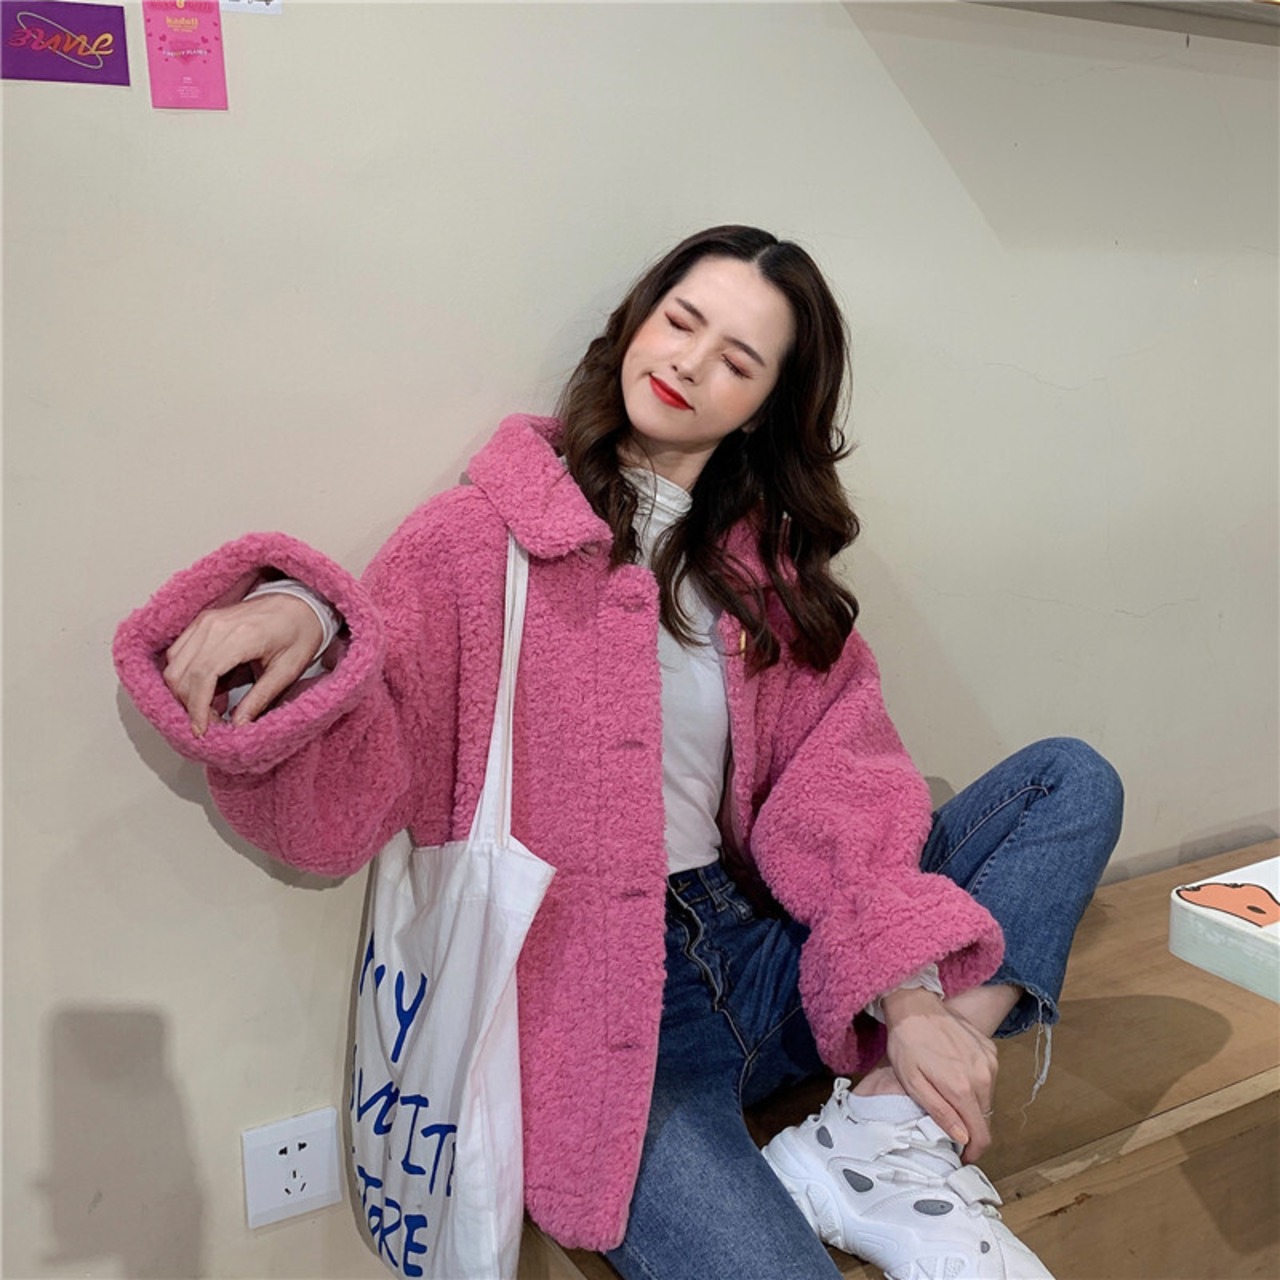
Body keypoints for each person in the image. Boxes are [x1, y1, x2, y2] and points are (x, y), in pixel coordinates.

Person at [114, 226, 1123, 1280]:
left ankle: (879, 1123)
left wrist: (907, 997)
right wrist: (308, 614)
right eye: (680, 322)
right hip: (608, 1030)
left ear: (762, 407)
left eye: (737, 360)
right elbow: (345, 805)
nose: (689, 362)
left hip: (766, 954)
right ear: (636, 324)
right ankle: (878, 1117)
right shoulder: (476, 542)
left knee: (1067, 782)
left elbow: (841, 786)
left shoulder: (766, 575)